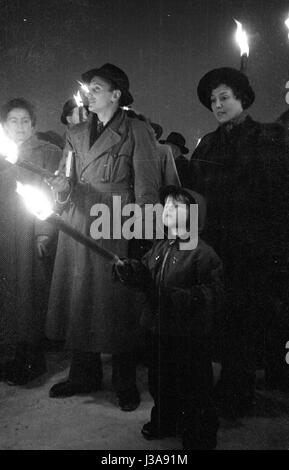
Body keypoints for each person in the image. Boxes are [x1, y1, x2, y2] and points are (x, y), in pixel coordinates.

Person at [45, 63, 161, 411]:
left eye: (97, 88)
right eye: (88, 88)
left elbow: (146, 187)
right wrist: (61, 190)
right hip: (78, 220)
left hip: (115, 221)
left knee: (118, 300)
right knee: (80, 297)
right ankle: (83, 373)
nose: (89, 93)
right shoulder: (76, 133)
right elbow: (65, 178)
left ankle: (124, 379)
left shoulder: (137, 129)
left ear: (116, 94)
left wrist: (143, 236)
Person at [189, 67, 289, 417]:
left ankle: (240, 392)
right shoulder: (208, 143)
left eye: (224, 97)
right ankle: (230, 384)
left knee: (247, 320)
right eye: (213, 100)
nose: (218, 105)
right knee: (223, 319)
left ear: (242, 98)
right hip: (218, 247)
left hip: (254, 248)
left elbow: (279, 195)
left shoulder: (270, 136)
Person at [115, 185, 223, 449]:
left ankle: (199, 431)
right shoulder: (160, 248)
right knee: (160, 381)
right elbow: (145, 272)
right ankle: (165, 418)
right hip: (158, 329)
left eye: (177, 206)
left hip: (189, 336)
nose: (168, 210)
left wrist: (179, 297)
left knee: (193, 385)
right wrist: (131, 270)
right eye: (167, 205)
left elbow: (212, 293)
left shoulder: (203, 254)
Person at [0, 98, 62, 385]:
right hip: (4, 231)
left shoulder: (48, 152)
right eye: (13, 120)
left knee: (31, 293)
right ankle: (11, 354)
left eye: (25, 120)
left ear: (34, 124)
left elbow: (50, 194)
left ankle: (32, 356)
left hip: (30, 232)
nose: (20, 126)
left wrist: (44, 231)